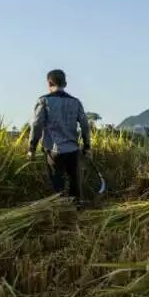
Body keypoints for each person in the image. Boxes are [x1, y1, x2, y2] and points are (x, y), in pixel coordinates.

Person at [28, 69, 92, 203]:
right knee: (75, 185)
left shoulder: (44, 101)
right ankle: (76, 212)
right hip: (73, 150)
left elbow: (36, 125)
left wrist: (31, 148)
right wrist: (87, 147)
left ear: (49, 83)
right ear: (65, 83)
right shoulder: (76, 102)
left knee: (58, 187)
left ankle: (61, 215)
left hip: (54, 150)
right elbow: (85, 125)